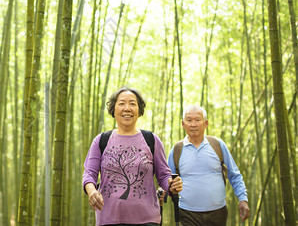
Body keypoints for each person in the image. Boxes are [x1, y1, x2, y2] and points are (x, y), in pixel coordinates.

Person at [83, 87, 183, 226]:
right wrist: (92, 191)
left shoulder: (151, 140)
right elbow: (89, 174)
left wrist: (172, 186)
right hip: (109, 219)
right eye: (122, 103)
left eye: (132, 104)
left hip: (147, 220)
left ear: (139, 110)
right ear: (113, 109)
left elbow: (164, 176)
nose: (127, 108)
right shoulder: (101, 140)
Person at [167, 105, 250, 225]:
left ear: (206, 123)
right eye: (189, 120)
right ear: (183, 124)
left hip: (218, 212)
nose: (193, 124)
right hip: (187, 213)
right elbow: (167, 180)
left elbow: (234, 174)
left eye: (197, 120)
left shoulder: (217, 145)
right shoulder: (177, 150)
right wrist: (169, 189)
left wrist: (243, 199)